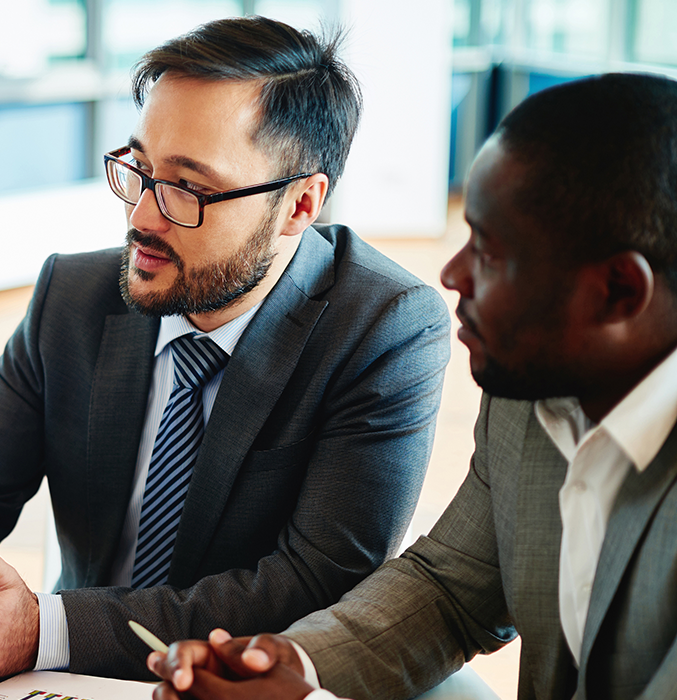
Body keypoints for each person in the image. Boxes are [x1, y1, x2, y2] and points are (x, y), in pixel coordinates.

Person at [0, 16, 452, 696]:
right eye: (140, 170)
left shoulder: (383, 328)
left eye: (189, 189)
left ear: (299, 204)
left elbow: (320, 585)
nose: (143, 216)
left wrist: (46, 629)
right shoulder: (73, 296)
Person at [146, 72, 677, 700]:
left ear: (619, 292)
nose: (452, 274)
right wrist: (289, 665)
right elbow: (451, 589)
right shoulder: (531, 396)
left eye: (490, 253)